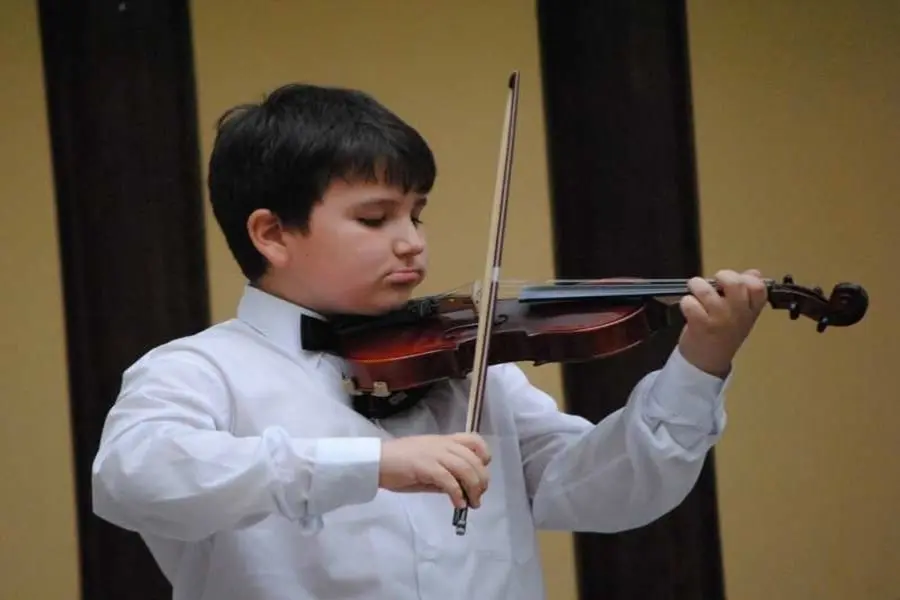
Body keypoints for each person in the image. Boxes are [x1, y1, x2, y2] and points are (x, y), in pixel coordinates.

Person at [91, 82, 768, 600]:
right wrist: (368, 463)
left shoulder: (471, 368)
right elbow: (134, 478)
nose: (413, 240)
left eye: (416, 212)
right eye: (375, 217)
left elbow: (602, 492)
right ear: (271, 233)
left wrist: (700, 364)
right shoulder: (198, 370)